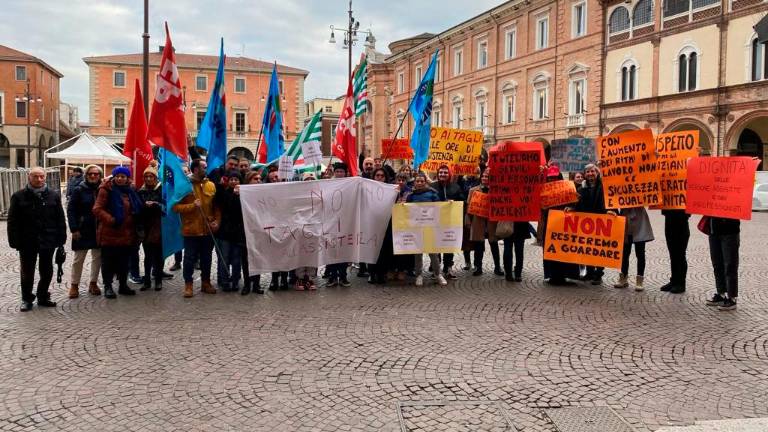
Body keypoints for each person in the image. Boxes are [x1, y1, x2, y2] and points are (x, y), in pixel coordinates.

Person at [7, 167, 66, 311]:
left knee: (47, 270)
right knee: (27, 272)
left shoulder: (53, 195)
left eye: (41, 177)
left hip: (48, 239)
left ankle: (43, 296)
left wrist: (61, 238)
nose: (39, 179)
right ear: (29, 177)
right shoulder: (18, 196)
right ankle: (26, 299)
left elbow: (60, 218)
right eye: (35, 177)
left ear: (45, 178)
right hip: (27, 240)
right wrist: (14, 241)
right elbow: (12, 221)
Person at [173, 159, 221, 298]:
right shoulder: (185, 186)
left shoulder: (211, 185)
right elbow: (176, 207)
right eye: (204, 167)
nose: (206, 169)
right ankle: (188, 284)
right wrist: (192, 206)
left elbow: (216, 207)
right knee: (189, 259)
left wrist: (217, 221)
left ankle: (206, 283)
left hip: (207, 230)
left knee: (207, 258)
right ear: (195, 169)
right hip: (191, 230)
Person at [92, 166, 142, 299]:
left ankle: (123, 285)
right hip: (110, 232)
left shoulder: (130, 191)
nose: (120, 179)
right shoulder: (106, 189)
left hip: (127, 233)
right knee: (108, 262)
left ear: (127, 178)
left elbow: (135, 207)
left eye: (123, 176)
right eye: (118, 176)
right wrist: (111, 220)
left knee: (124, 262)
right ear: (114, 177)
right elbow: (97, 209)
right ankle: (108, 286)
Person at [66, 164, 103, 298]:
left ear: (100, 175)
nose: (93, 176)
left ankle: (93, 283)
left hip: (98, 229)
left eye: (96, 174)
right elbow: (71, 210)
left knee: (97, 258)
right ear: (86, 175)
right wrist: (74, 228)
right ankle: (74, 285)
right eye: (90, 174)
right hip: (82, 229)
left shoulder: (103, 189)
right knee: (78, 259)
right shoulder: (78, 189)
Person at [407, 172, 447, 286]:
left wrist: (448, 204)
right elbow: (406, 211)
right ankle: (419, 275)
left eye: (422, 181)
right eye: (417, 181)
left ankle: (438, 274)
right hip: (417, 229)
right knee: (418, 254)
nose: (419, 183)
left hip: (430, 228)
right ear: (414, 182)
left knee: (433, 253)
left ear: (425, 182)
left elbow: (439, 208)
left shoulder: (432, 194)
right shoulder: (411, 196)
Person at [572, 163, 607, 285]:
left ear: (597, 173)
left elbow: (609, 203)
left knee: (599, 249)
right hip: (587, 224)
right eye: (587, 172)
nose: (590, 174)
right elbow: (578, 205)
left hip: (601, 222)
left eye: (592, 171)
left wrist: (611, 212)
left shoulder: (604, 187)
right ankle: (590, 272)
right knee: (589, 248)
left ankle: (599, 274)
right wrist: (571, 209)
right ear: (585, 175)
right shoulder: (581, 189)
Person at [430, 164, 466, 279]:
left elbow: (463, 201)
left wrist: (454, 202)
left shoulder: (455, 187)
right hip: (436, 221)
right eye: (441, 172)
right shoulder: (432, 187)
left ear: (449, 174)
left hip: (451, 222)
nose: (443, 174)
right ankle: (436, 267)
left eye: (445, 172)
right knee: (436, 244)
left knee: (449, 244)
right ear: (437, 174)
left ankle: (448, 267)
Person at [466, 169, 502, 276]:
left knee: (494, 244)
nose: (485, 179)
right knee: (478, 246)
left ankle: (497, 267)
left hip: (491, 222)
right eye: (483, 177)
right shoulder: (473, 190)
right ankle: (478, 267)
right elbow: (468, 206)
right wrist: (468, 221)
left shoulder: (496, 190)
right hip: (478, 221)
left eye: (487, 177)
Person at [216, 170, 246, 292]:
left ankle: (235, 282)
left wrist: (238, 195)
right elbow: (226, 207)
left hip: (238, 232)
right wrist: (232, 194)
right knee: (224, 258)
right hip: (225, 232)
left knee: (236, 259)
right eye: (232, 179)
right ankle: (224, 282)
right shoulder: (224, 193)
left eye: (236, 179)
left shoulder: (244, 194)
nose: (234, 181)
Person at [612, 207, 653, 291]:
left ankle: (639, 279)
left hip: (640, 221)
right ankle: (623, 277)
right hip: (625, 219)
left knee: (640, 253)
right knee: (625, 252)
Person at [137, 163, 164, 291]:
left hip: (159, 226)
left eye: (151, 176)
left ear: (155, 178)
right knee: (148, 255)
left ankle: (158, 279)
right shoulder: (140, 191)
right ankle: (147, 280)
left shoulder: (162, 189)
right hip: (146, 227)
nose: (148, 179)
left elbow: (166, 207)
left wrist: (156, 204)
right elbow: (136, 208)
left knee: (159, 255)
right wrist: (144, 206)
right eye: (146, 176)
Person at [705, 216, 741, 310]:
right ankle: (721, 293)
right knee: (717, 264)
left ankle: (732, 298)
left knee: (730, 264)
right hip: (714, 230)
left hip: (730, 230)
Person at [325, 163, 352, 287]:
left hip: (345, 223)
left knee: (343, 252)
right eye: (338, 171)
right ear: (334, 173)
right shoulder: (328, 185)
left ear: (345, 173)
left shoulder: (351, 185)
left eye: (342, 171)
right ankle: (332, 276)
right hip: (331, 224)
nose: (340, 173)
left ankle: (343, 276)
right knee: (331, 252)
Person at [294, 172, 319, 290]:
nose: (309, 181)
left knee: (312, 254)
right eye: (307, 179)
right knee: (300, 254)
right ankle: (300, 278)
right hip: (300, 229)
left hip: (314, 229)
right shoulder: (297, 195)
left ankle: (310, 278)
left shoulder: (319, 194)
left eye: (312, 179)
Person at [240, 171, 264, 294]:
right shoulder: (241, 194)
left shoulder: (262, 194)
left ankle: (256, 284)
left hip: (259, 231)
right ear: (248, 180)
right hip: (245, 232)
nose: (258, 180)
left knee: (258, 258)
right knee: (246, 260)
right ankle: (247, 284)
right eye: (255, 178)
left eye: (260, 178)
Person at [368, 168, 394, 284]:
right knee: (372, 249)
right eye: (377, 175)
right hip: (372, 224)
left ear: (385, 177)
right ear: (373, 177)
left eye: (382, 176)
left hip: (386, 224)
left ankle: (382, 273)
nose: (379, 177)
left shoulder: (391, 190)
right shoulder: (368, 189)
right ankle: (372, 273)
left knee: (384, 250)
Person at [660, 208, 690, 294]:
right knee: (672, 253)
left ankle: (681, 283)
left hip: (681, 220)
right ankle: (674, 280)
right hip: (669, 218)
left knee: (680, 253)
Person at [392, 173, 414, 281]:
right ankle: (393, 269)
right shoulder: (390, 191)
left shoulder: (410, 192)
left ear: (406, 181)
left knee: (403, 248)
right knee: (393, 247)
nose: (400, 182)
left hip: (406, 224)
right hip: (392, 223)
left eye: (403, 180)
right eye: (399, 180)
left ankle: (402, 269)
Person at [459, 166, 481, 271]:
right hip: (465, 211)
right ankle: (467, 262)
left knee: (477, 239)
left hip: (477, 212)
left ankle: (478, 263)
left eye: (474, 170)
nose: (472, 172)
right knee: (466, 239)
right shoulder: (463, 181)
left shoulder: (479, 181)